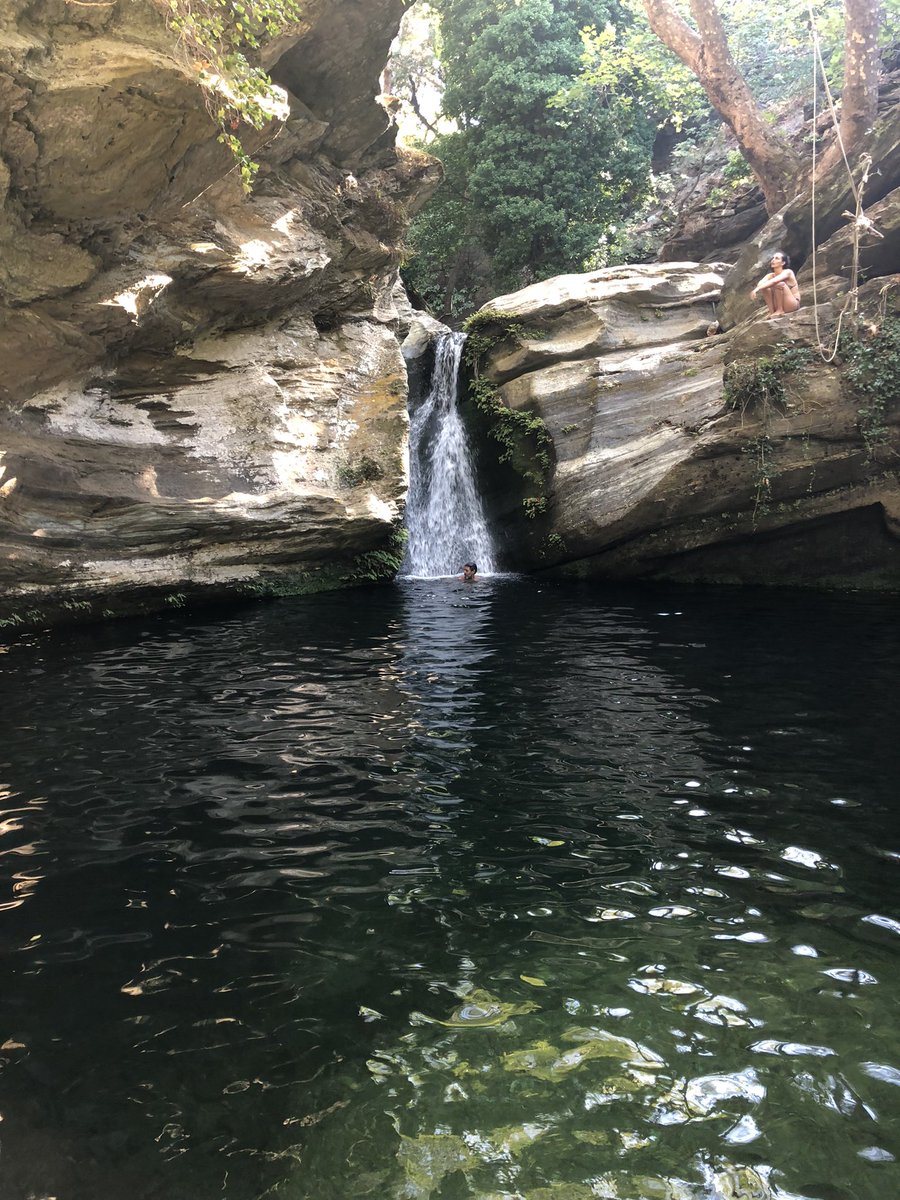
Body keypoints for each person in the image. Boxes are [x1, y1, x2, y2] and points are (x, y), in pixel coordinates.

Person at [751, 252, 801, 317]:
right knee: (765, 288)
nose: (773, 260)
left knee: (779, 284)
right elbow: (760, 283)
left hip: (792, 304)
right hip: (777, 303)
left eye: (777, 258)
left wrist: (757, 289)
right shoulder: (770, 275)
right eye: (773, 258)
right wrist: (758, 287)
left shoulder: (788, 272)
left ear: (783, 263)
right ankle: (772, 312)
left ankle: (780, 310)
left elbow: (774, 281)